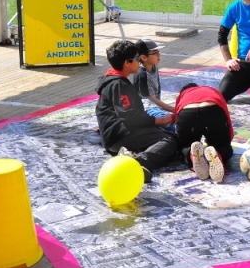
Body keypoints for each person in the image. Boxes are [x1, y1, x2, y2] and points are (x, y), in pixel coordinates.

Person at [95, 40, 179, 183]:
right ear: (127, 62)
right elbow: (130, 117)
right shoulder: (119, 84)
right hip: (119, 136)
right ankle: (137, 163)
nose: (139, 61)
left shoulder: (113, 80)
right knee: (169, 140)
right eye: (136, 58)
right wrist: (161, 120)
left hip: (118, 132)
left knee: (170, 138)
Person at [174, 83, 234, 183]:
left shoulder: (183, 95)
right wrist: (224, 142)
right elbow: (227, 119)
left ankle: (192, 155)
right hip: (212, 109)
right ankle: (218, 155)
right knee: (222, 146)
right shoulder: (211, 90)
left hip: (187, 112)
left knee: (185, 146)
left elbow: (178, 122)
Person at [130, 39, 175, 123]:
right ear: (144, 57)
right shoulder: (142, 75)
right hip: (146, 109)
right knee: (170, 123)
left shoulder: (154, 67)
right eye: (155, 53)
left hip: (155, 107)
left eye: (158, 52)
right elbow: (152, 100)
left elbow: (157, 93)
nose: (159, 55)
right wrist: (174, 110)